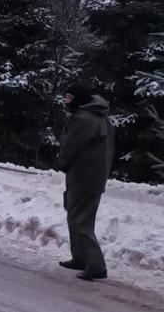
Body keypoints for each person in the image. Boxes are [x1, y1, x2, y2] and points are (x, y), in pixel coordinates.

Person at [58, 85, 115, 282]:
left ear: (79, 99)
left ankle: (96, 264)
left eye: (69, 97)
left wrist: (62, 162)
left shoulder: (84, 119)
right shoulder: (100, 118)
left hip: (84, 176)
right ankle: (80, 258)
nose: (66, 101)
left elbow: (71, 145)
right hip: (91, 176)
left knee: (81, 220)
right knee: (76, 216)